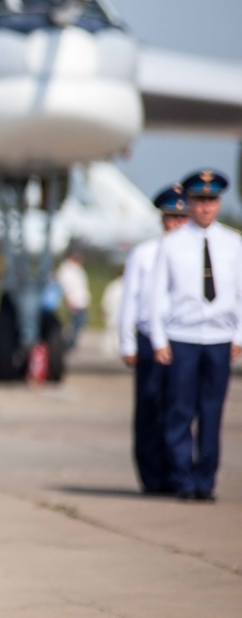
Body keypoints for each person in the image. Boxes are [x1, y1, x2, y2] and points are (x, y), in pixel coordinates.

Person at [149, 170, 242, 501]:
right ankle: (183, 480)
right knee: (180, 412)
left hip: (219, 337)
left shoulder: (233, 244)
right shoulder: (172, 244)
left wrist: (239, 335)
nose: (205, 207)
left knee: (212, 413)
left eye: (211, 200)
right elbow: (157, 294)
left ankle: (206, 480)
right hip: (182, 336)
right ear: (189, 203)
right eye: (200, 201)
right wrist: (159, 339)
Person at [118, 185, 188, 493]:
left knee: (181, 408)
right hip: (149, 336)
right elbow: (129, 300)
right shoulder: (145, 253)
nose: (175, 224)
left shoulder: (196, 255)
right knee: (150, 406)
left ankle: (179, 471)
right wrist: (127, 342)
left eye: (181, 218)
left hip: (184, 337)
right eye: (170, 218)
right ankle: (152, 475)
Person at [56, 248, 90, 351]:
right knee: (73, 327)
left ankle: (70, 345)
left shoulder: (78, 268)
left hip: (81, 303)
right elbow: (64, 288)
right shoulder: (66, 270)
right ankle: (67, 346)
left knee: (79, 326)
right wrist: (69, 303)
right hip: (74, 303)